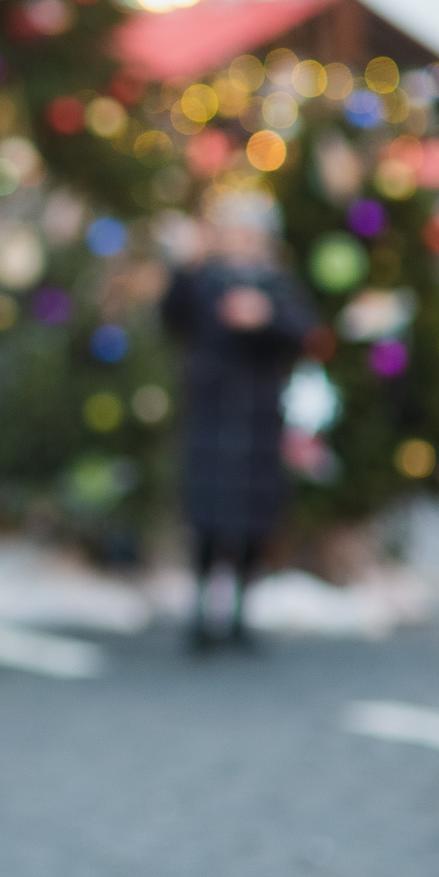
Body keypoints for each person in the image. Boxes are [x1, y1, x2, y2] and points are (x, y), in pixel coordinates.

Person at [159, 189, 317, 649]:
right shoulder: (203, 279)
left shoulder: (278, 284)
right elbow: (170, 318)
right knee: (206, 519)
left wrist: (265, 317)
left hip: (259, 417)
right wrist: (181, 267)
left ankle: (242, 614)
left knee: (253, 521)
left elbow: (305, 332)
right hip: (209, 411)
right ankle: (202, 609)